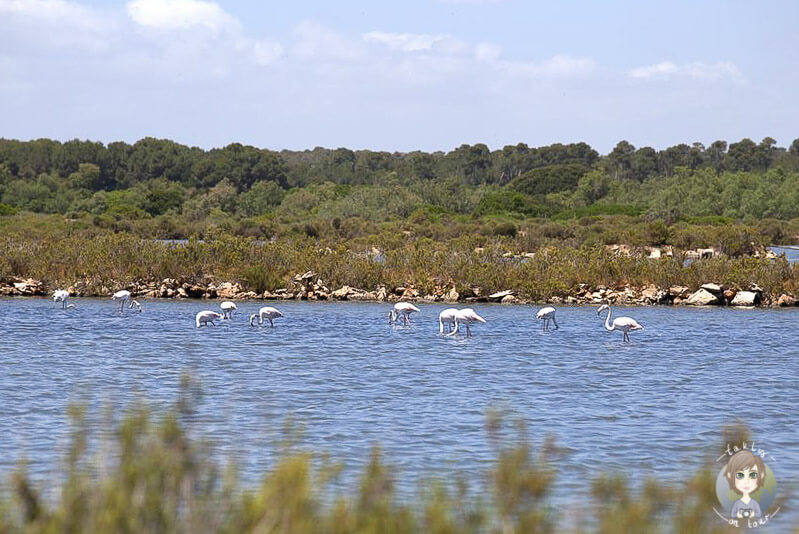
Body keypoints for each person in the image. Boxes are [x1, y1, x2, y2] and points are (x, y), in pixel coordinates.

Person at [724, 450, 766, 519]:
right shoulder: (737, 504)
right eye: (740, 475)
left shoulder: (754, 503)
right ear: (730, 476)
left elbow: (759, 514)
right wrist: (738, 515)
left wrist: (753, 514)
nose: (746, 481)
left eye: (753, 475)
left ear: (761, 476)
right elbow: (733, 514)